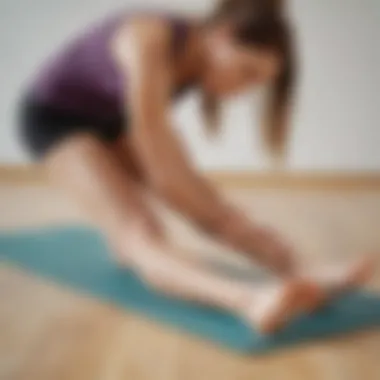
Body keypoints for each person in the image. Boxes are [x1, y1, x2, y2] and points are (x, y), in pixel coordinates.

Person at [18, 0, 372, 334]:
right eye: (246, 72)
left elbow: (174, 173)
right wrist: (206, 210)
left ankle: (301, 267)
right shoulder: (149, 39)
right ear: (222, 35)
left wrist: (215, 214)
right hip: (56, 119)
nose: (242, 90)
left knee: (210, 208)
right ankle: (251, 301)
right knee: (140, 232)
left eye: (255, 84)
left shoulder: (200, 53)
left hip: (112, 121)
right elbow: (164, 172)